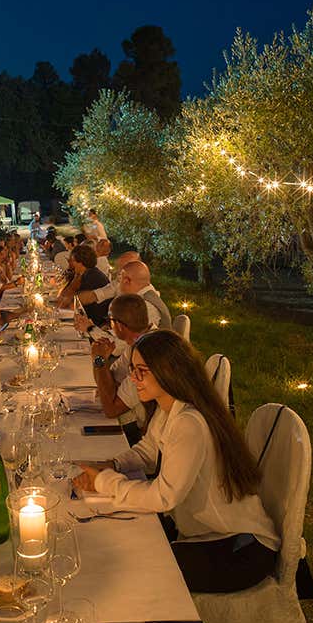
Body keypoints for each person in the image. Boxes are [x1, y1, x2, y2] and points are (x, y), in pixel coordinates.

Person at [73, 330, 280, 594]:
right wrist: (112, 465)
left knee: (133, 571)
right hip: (205, 532)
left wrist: (104, 482)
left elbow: (164, 497)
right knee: (119, 549)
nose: (133, 378)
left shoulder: (189, 423)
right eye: (133, 369)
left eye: (141, 371)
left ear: (168, 371)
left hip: (239, 546)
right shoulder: (170, 407)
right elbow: (147, 452)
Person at [89, 294, 153, 445]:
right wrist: (102, 363)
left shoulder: (146, 353)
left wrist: (99, 360)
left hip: (141, 434)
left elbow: (111, 409)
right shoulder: (135, 343)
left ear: (118, 325)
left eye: (110, 321)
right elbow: (108, 382)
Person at [57, 244, 111, 325]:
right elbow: (61, 297)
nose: (69, 263)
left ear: (81, 263)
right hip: (83, 318)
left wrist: (73, 283)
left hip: (94, 324)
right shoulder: (81, 274)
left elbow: (65, 303)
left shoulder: (92, 278)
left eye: (72, 260)